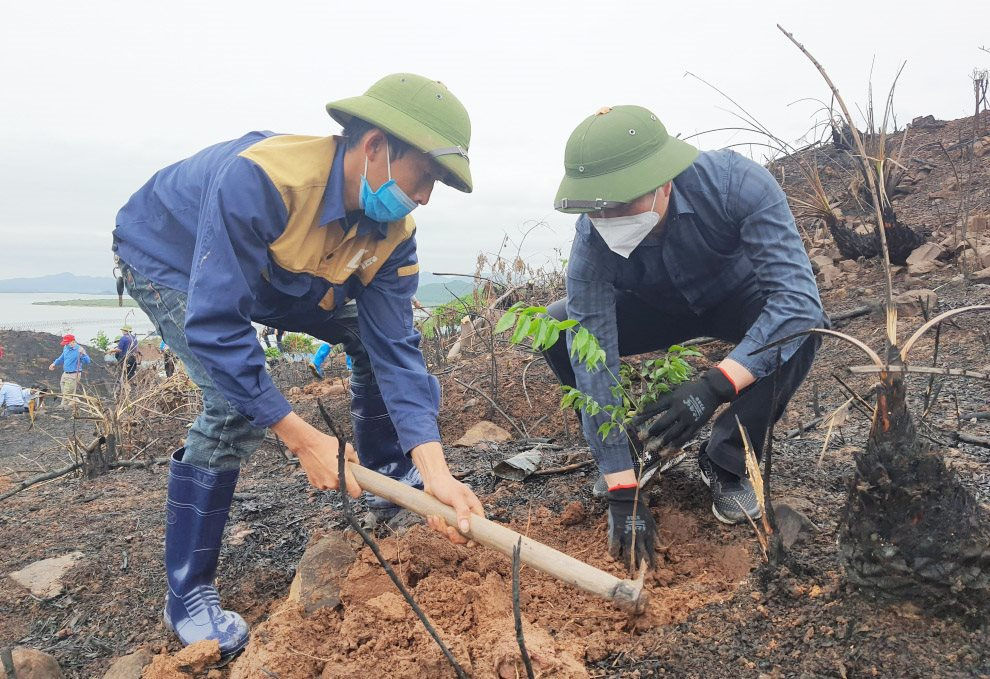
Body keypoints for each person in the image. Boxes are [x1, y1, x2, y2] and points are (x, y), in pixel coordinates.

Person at [112, 73, 482, 658]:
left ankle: (389, 475)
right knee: (232, 404)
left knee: (365, 336)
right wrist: (302, 437)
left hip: (285, 275)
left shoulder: (393, 234)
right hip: (173, 258)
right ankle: (187, 592)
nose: (427, 197)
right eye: (426, 176)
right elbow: (215, 324)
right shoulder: (262, 180)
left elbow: (396, 348)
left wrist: (433, 468)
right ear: (375, 147)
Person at [545, 106, 825, 569]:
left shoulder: (737, 184)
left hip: (737, 297)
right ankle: (635, 452)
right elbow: (593, 360)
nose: (609, 217)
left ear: (663, 181)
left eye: (622, 203)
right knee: (560, 330)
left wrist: (715, 385)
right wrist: (621, 490)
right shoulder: (592, 243)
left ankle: (727, 458)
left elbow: (795, 301)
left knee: (803, 329)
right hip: (655, 309)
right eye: (598, 207)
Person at [49, 334, 91, 406]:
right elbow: (62, 357)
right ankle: (76, 402)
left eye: (67, 343)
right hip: (65, 373)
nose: (66, 345)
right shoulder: (66, 348)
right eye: (65, 343)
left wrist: (84, 354)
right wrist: (54, 363)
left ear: (73, 342)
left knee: (67, 393)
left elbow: (87, 361)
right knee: (64, 389)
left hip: (74, 374)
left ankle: (62, 407)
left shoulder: (79, 350)